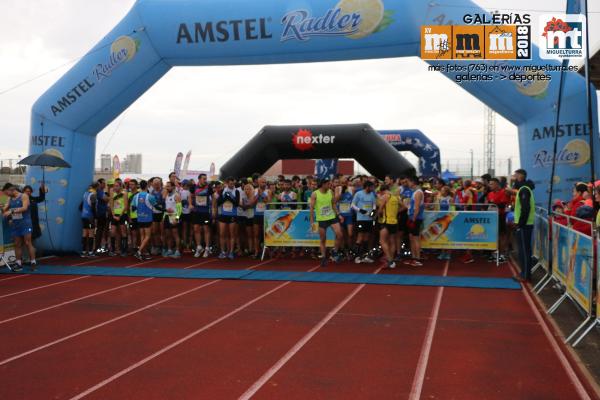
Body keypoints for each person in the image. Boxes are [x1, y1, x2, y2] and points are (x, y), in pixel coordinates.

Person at [309, 178, 343, 267]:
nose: (330, 185)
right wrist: (312, 221)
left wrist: (338, 214)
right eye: (328, 184)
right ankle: (324, 258)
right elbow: (311, 208)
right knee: (323, 239)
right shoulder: (315, 194)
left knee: (339, 234)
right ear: (323, 184)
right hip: (321, 219)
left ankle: (334, 251)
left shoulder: (330, 192)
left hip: (332, 217)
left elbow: (333, 204)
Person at [2, 184, 36, 271]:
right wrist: (3, 208)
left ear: (11, 189)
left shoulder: (24, 196)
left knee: (28, 242)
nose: (7, 195)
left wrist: (11, 211)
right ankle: (18, 264)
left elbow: (24, 208)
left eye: (7, 193)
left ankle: (33, 262)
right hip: (15, 224)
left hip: (25, 223)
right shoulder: (10, 199)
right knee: (17, 244)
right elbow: (5, 209)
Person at [513, 169, 535, 282]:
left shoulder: (524, 189)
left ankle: (525, 275)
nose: (514, 177)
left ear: (521, 176)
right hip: (525, 224)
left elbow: (526, 209)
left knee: (524, 251)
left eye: (516, 175)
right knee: (524, 250)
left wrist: (520, 224)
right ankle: (524, 273)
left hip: (524, 225)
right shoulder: (524, 189)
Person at [351, 180, 376, 264]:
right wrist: (360, 210)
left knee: (366, 238)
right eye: (372, 187)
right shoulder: (359, 194)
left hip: (369, 220)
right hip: (361, 219)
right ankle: (357, 256)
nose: (373, 188)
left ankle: (365, 256)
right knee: (360, 237)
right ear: (367, 187)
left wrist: (373, 212)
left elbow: (374, 205)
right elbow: (353, 205)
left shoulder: (372, 194)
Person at [486, 178, 510, 263]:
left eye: (492, 184)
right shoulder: (489, 194)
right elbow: (489, 204)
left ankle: (502, 255)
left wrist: (493, 203)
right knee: (493, 236)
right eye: (490, 184)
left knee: (501, 236)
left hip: (500, 216)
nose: (490, 185)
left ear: (497, 184)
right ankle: (494, 254)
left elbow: (503, 205)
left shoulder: (503, 192)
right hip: (491, 217)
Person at [214, 177, 239, 260]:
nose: (232, 185)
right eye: (230, 184)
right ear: (227, 183)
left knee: (232, 234)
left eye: (233, 184)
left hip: (232, 215)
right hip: (223, 215)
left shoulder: (236, 191)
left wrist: (230, 198)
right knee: (222, 234)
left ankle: (231, 252)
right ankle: (223, 251)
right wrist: (225, 197)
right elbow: (218, 203)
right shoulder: (222, 191)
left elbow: (237, 204)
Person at [377, 184, 400, 269]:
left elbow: (380, 209)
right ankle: (391, 259)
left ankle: (390, 260)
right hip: (394, 221)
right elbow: (404, 206)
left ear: (382, 191)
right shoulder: (395, 197)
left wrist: (379, 214)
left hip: (386, 222)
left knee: (382, 241)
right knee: (392, 241)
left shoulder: (385, 197)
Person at [404, 176, 424, 267]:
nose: (407, 183)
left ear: (413, 182)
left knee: (415, 238)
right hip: (412, 218)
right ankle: (413, 257)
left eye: (408, 181)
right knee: (411, 237)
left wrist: (413, 219)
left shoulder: (418, 193)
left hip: (415, 218)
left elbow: (417, 208)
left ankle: (417, 258)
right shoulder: (414, 192)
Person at [132, 180, 155, 260]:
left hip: (140, 218)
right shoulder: (150, 196)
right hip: (148, 218)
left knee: (142, 235)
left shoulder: (136, 196)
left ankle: (142, 253)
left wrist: (140, 208)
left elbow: (133, 208)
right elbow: (156, 206)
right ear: (147, 186)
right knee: (148, 236)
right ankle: (139, 251)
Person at [192, 174, 213, 258]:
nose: (205, 180)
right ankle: (199, 247)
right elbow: (190, 196)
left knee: (206, 229)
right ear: (199, 179)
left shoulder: (209, 188)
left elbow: (214, 198)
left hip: (206, 213)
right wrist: (190, 204)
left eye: (206, 179)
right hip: (197, 212)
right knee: (196, 228)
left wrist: (214, 209)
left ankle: (207, 248)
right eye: (204, 179)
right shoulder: (194, 187)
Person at [109, 180, 128, 257]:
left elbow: (126, 206)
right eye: (114, 186)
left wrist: (120, 216)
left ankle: (124, 250)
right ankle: (112, 249)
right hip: (114, 215)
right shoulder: (112, 193)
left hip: (122, 214)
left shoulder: (124, 193)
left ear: (120, 186)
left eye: (117, 186)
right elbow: (111, 205)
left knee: (123, 232)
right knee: (112, 232)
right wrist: (114, 215)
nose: (115, 187)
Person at [163, 181, 182, 258]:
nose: (167, 188)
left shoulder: (176, 196)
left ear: (173, 187)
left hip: (174, 216)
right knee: (168, 235)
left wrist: (177, 219)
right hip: (167, 217)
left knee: (175, 235)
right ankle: (170, 250)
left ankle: (177, 251)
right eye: (166, 186)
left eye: (169, 186)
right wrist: (164, 217)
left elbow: (179, 209)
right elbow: (166, 207)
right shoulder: (166, 195)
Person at [80, 183, 98, 258]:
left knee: (84, 234)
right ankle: (90, 252)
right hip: (90, 217)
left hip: (84, 216)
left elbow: (80, 206)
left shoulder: (85, 194)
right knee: (91, 234)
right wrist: (95, 217)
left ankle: (84, 252)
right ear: (96, 188)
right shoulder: (93, 195)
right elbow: (93, 208)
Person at [95, 178, 109, 253]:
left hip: (103, 213)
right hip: (100, 214)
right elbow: (105, 199)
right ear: (99, 184)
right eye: (103, 183)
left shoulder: (102, 191)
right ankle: (97, 247)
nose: (105, 185)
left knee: (102, 230)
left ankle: (99, 246)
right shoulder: (99, 191)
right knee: (100, 230)